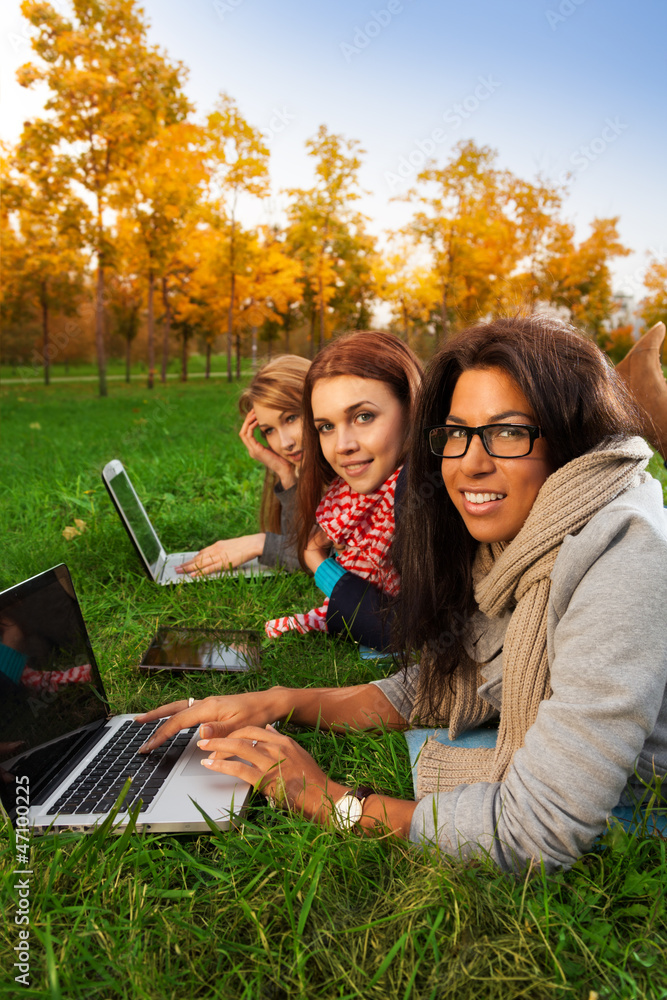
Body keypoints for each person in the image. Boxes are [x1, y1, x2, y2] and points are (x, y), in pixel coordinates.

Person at [137, 317, 667, 874]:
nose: (470, 464)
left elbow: (533, 830)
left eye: (509, 432)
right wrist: (281, 701)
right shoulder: (513, 544)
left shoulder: (624, 556)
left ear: (569, 437)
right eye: (456, 433)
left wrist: (326, 799)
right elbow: (445, 680)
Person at [264, 330, 422, 640]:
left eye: (364, 416)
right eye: (325, 427)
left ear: (411, 407)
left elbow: (396, 629)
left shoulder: (419, 494)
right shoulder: (352, 493)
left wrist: (318, 563)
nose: (342, 446)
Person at [176, 355, 311, 577]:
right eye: (269, 430)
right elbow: (301, 544)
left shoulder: (354, 468)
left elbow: (327, 557)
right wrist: (285, 473)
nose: (285, 443)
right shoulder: (305, 470)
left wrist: (259, 544)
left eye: (291, 417)